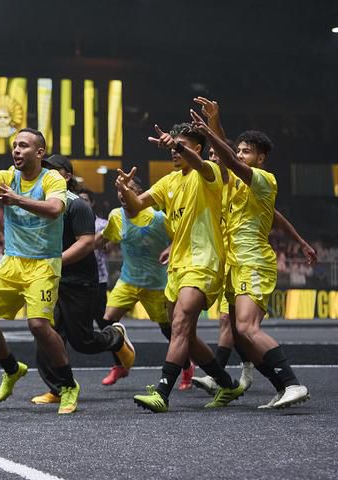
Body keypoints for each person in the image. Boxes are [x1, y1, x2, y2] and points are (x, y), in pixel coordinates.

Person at [116, 122, 244, 413]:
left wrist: (175, 144)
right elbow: (136, 207)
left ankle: (162, 392)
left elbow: (201, 164)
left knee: (180, 324)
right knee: (186, 334)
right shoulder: (169, 181)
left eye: (181, 146)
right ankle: (227, 384)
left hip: (204, 262)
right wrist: (124, 192)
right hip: (177, 266)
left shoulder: (208, 174)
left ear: (196, 149)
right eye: (173, 146)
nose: (174, 151)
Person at [190, 112, 311, 409]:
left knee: (247, 328)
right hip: (234, 265)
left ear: (261, 158)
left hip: (253, 262)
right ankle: (281, 388)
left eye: (248, 151)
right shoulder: (235, 183)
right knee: (239, 336)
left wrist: (210, 131)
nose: (241, 154)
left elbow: (229, 160)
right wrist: (215, 123)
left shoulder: (264, 180)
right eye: (240, 149)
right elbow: (228, 158)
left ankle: (293, 384)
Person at [0, 129, 82, 415]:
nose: (16, 150)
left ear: (39, 152)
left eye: (24, 146)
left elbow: (55, 208)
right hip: (12, 262)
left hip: (43, 263)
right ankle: (12, 368)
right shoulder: (7, 176)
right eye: (14, 145)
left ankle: (68, 385)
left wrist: (17, 200)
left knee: (39, 326)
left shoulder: (52, 179)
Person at [30, 154, 135, 406]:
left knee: (83, 342)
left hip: (79, 281)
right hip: (51, 279)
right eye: (45, 171)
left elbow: (86, 244)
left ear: (67, 176)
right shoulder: (42, 202)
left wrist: (54, 262)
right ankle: (59, 388)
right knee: (45, 334)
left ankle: (115, 336)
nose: (46, 175)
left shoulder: (78, 206)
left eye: (53, 170)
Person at [95, 178, 199, 389]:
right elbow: (107, 237)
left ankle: (187, 367)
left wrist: (171, 249)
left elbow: (181, 237)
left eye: (129, 188)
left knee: (169, 330)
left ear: (140, 193)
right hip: (128, 281)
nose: (123, 193)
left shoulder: (158, 218)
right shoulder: (116, 216)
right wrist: (91, 244)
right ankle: (120, 364)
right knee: (107, 322)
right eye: (120, 189)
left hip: (157, 285)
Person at [77, 188, 110, 334]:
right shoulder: (72, 222)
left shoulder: (103, 224)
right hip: (77, 278)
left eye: (84, 200)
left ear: (92, 203)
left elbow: (108, 247)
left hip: (98, 278)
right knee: (78, 320)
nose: (81, 203)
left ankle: (117, 344)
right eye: (78, 200)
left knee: (103, 318)